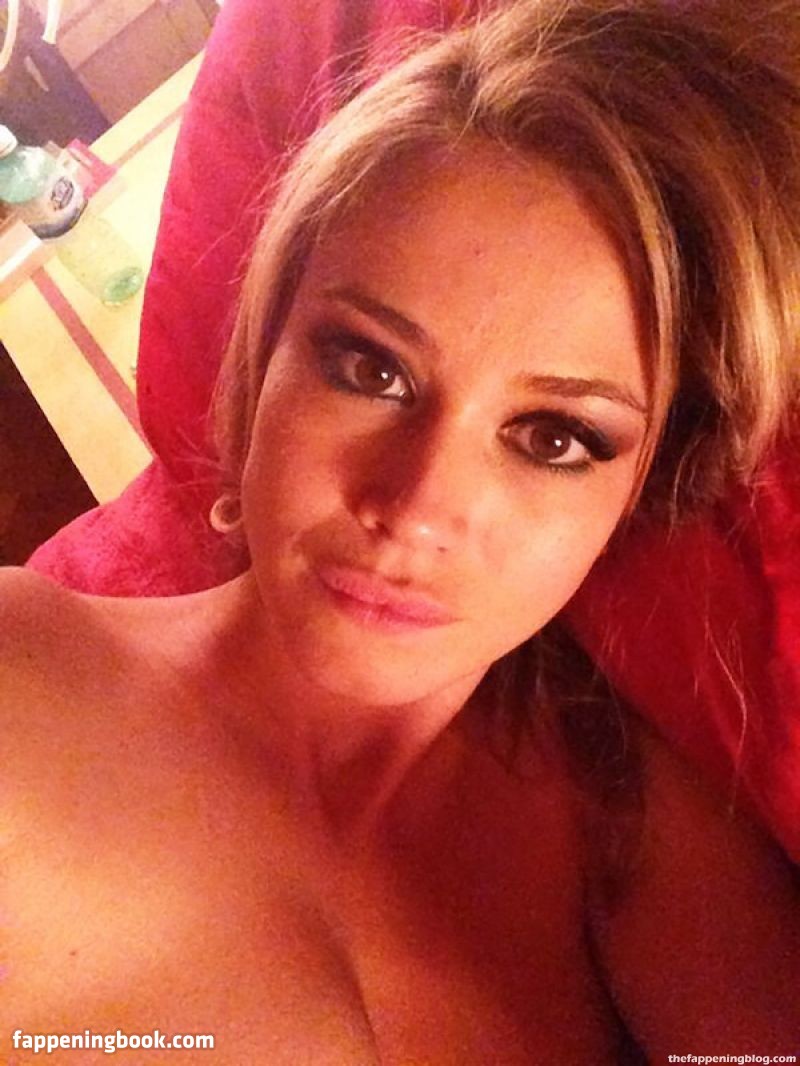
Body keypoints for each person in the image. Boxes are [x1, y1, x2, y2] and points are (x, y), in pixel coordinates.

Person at [2, 0, 799, 1061]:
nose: (417, 507)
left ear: (638, 495)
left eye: (554, 438)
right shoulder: (20, 681)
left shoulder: (630, 819)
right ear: (260, 366)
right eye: (370, 369)